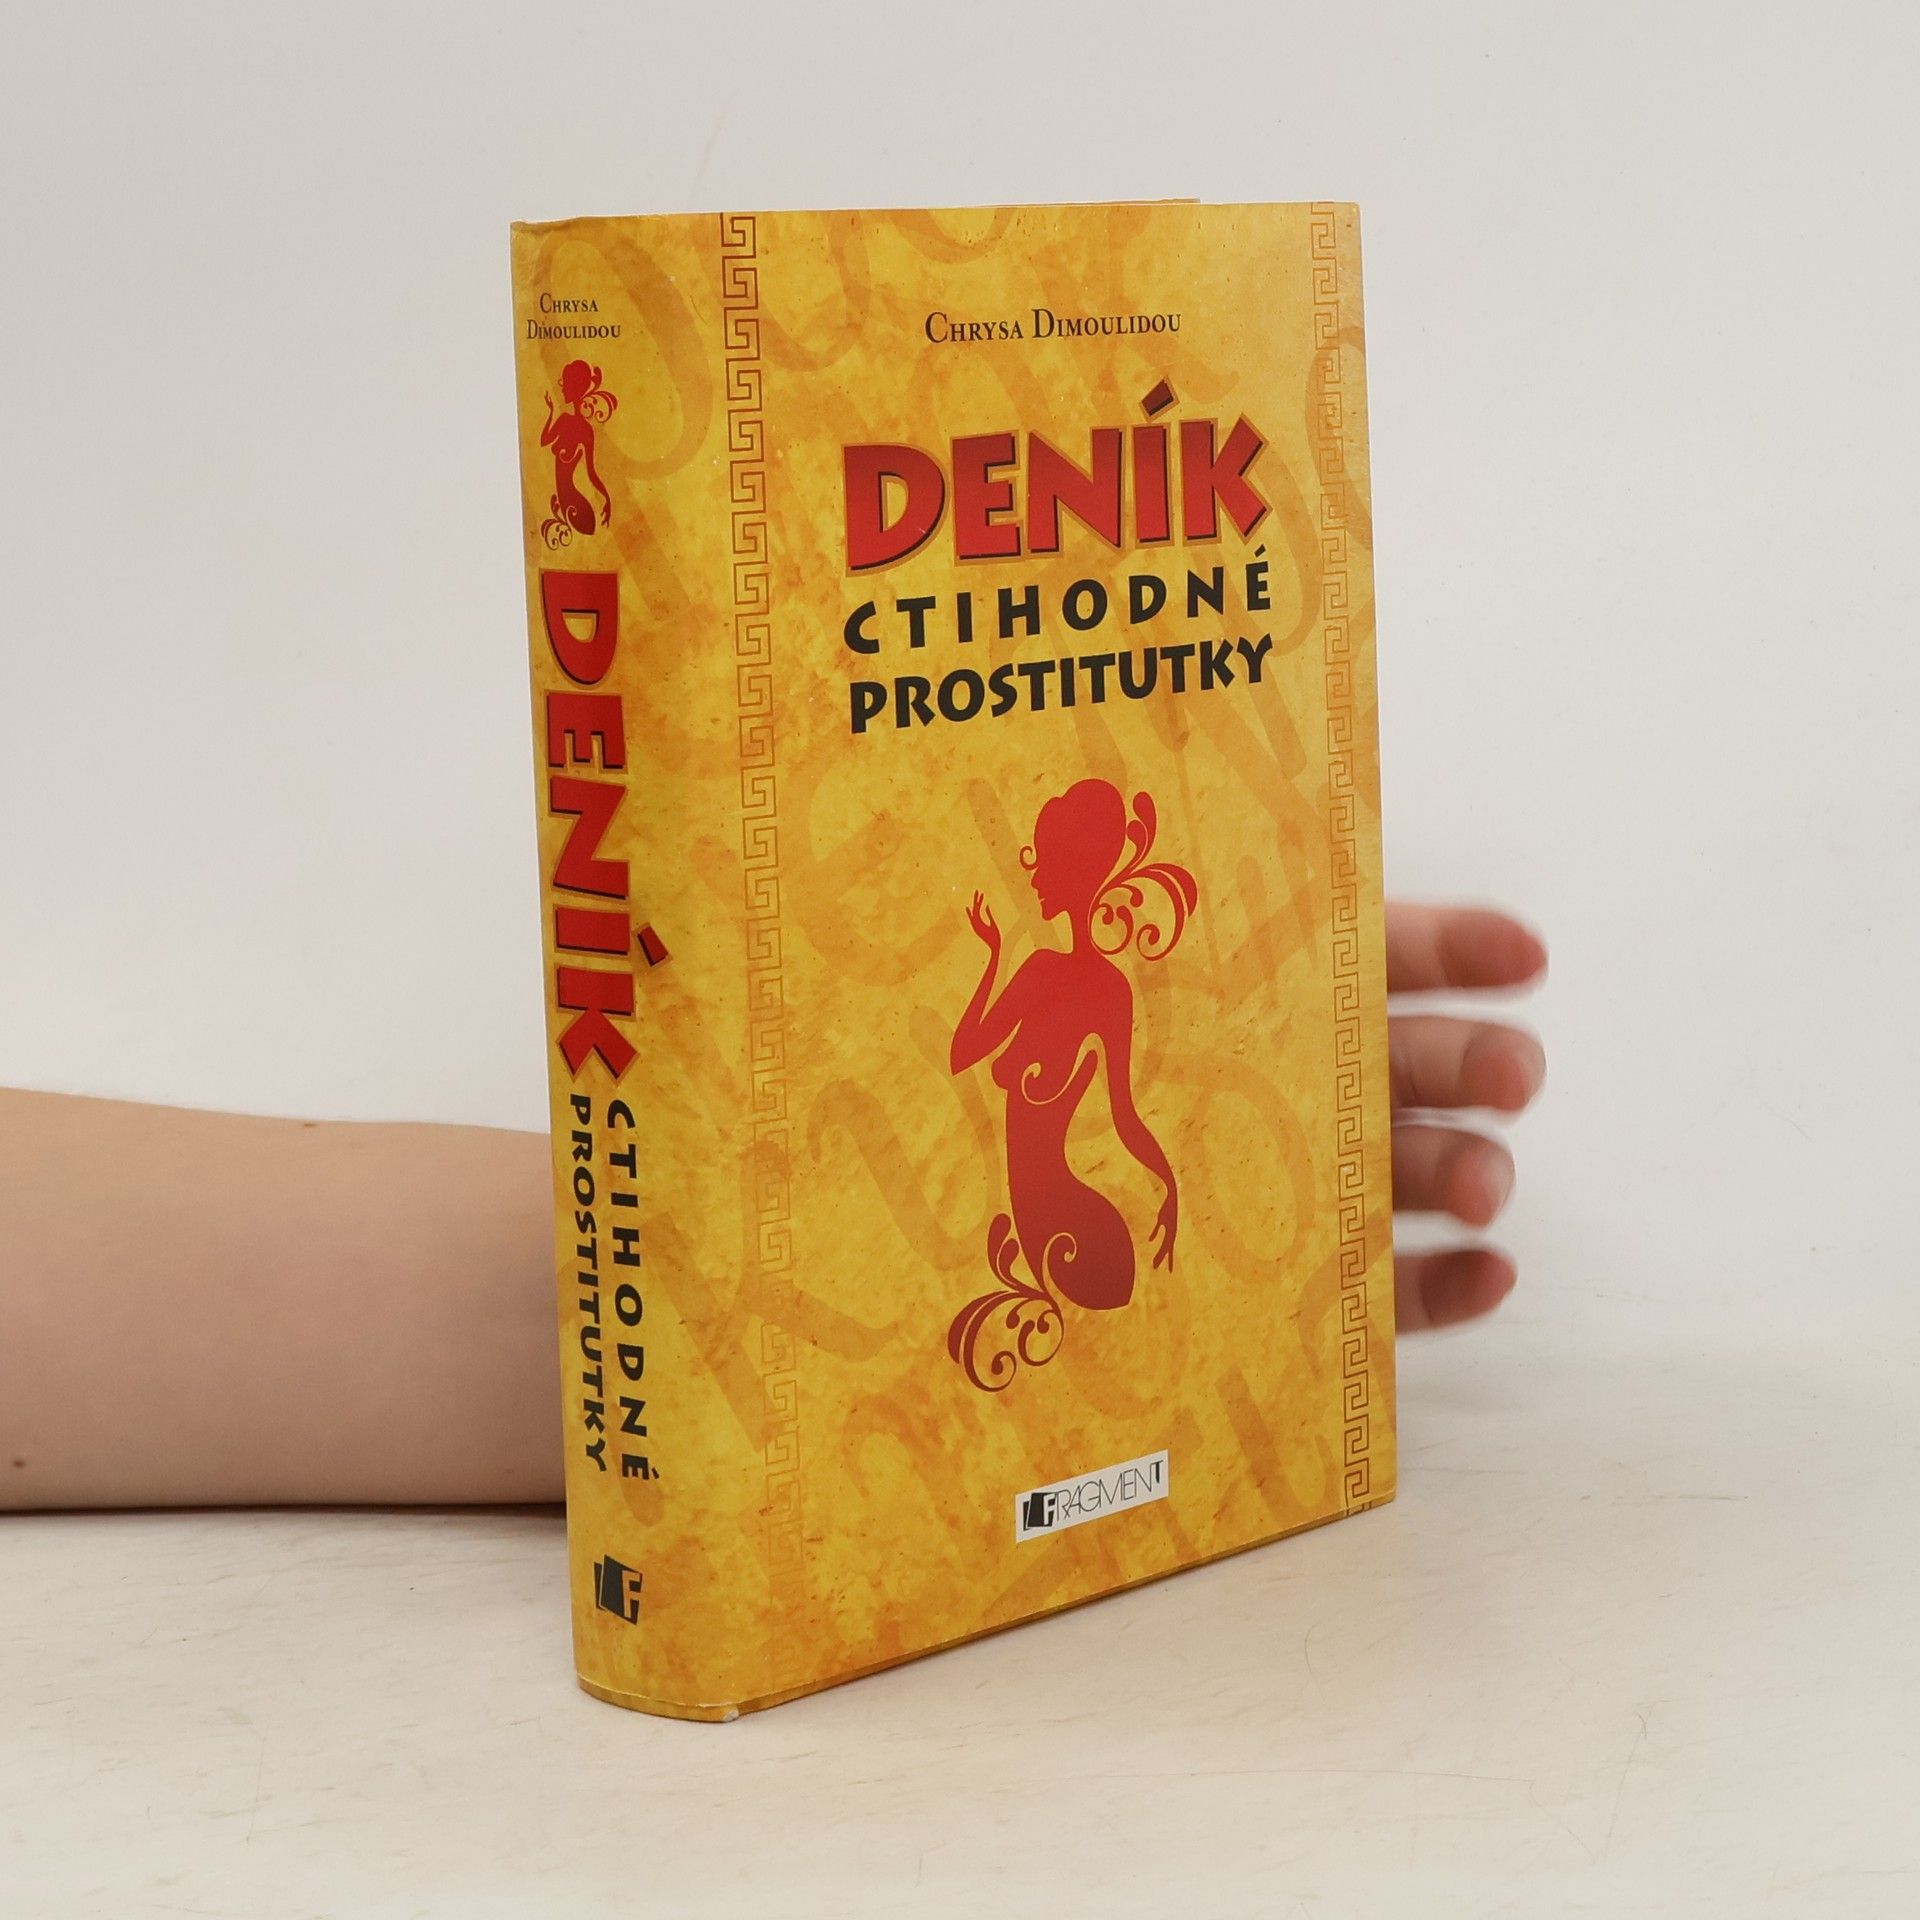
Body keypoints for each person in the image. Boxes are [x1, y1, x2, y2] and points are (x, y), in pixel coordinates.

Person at [0, 902, 1545, 1511]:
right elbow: (981, 1060)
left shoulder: (1094, 996)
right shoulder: (1047, 984)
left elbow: (1122, 1105)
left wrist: (685, 1300)